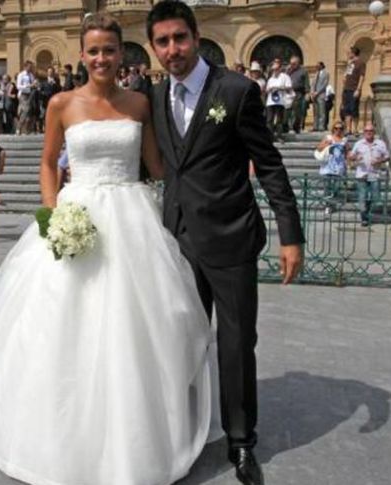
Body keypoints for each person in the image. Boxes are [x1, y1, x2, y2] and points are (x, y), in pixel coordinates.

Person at [0, 12, 214, 485]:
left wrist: (212, 165)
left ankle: (139, 431)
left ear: (122, 53)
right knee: (66, 324)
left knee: (137, 324)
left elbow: (157, 166)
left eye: (110, 49)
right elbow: (48, 164)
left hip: (131, 217)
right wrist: (52, 217)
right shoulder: (61, 103)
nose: (102, 58)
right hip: (77, 213)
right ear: (81, 55)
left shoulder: (140, 103)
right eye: (94, 50)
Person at [146, 2, 305, 484]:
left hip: (232, 239)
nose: (172, 49)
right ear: (153, 48)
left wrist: (290, 234)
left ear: (196, 38)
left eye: (180, 38)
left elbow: (269, 164)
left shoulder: (236, 91)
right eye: (162, 41)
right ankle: (187, 432)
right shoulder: (154, 95)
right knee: (181, 342)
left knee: (235, 346)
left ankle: (241, 442)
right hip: (178, 241)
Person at [347, 123, 389, 226]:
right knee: (362, 196)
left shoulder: (380, 143)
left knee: (375, 197)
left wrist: (380, 160)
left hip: (374, 174)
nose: (368, 133)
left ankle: (367, 210)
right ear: (364, 133)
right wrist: (356, 157)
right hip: (362, 174)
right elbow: (350, 156)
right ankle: (364, 218)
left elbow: (387, 156)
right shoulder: (359, 144)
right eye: (366, 131)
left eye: (370, 131)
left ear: (374, 132)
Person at [315, 120, 350, 216]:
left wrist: (348, 163)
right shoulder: (328, 138)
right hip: (327, 167)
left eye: (340, 128)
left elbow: (347, 153)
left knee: (336, 188)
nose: (338, 130)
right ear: (333, 129)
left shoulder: (344, 140)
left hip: (339, 167)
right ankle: (328, 205)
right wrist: (326, 144)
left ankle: (332, 203)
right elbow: (318, 148)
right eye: (336, 128)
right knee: (327, 187)